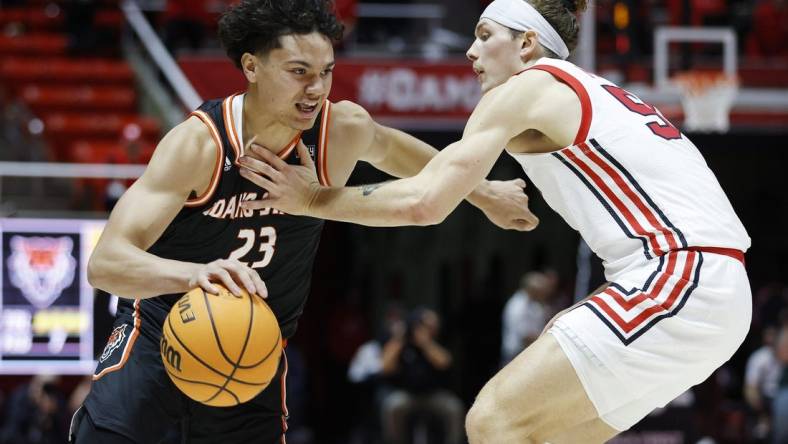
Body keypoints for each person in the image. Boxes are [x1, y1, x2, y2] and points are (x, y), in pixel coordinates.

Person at [239, 0, 752, 441]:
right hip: (717, 295)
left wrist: (313, 199)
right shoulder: (585, 90)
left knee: (493, 421)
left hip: (676, 275)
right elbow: (438, 167)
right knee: (547, 437)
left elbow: (425, 202)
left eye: (485, 36)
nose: (470, 51)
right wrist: (482, 194)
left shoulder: (525, 88)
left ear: (527, 43)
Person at [69, 1, 534, 443]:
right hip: (162, 331)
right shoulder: (200, 146)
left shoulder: (338, 131)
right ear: (251, 67)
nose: (316, 88)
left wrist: (483, 192)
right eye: (299, 73)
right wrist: (193, 275)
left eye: (326, 72)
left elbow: (399, 153)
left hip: (253, 345)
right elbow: (105, 263)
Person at [379, 308, 464, 444]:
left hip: (433, 395)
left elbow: (445, 362)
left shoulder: (435, 342)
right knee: (392, 406)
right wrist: (399, 339)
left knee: (454, 408)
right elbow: (385, 367)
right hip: (408, 395)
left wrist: (425, 342)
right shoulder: (401, 343)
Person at [500, 270, 556, 366]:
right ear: (533, 290)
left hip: (524, 354)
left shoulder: (534, 304)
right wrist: (551, 338)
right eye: (542, 292)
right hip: (515, 357)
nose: (544, 295)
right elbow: (525, 337)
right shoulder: (518, 305)